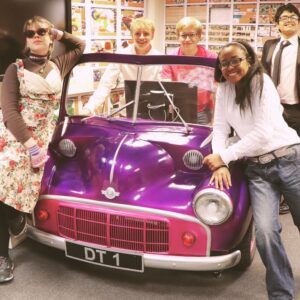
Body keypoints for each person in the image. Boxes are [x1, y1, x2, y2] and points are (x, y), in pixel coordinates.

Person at [203, 40, 300, 300]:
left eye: (236, 60)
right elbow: (220, 128)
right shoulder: (223, 88)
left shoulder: (262, 83)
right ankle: (281, 295)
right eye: (224, 63)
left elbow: (262, 132)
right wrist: (221, 159)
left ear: (249, 59)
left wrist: (224, 155)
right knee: (266, 233)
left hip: (289, 160)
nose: (230, 66)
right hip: (258, 171)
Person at [0, 16, 85, 283]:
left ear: (50, 36)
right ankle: (3, 256)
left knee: (20, 192)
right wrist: (30, 145)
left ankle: (18, 215)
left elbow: (80, 45)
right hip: (16, 140)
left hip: (44, 140)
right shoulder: (16, 69)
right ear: (25, 40)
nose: (35, 36)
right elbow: (9, 112)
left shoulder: (58, 64)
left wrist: (58, 33)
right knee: (2, 191)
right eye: (30, 33)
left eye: (41, 32)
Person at [261, 3, 300, 214]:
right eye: (284, 16)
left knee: (292, 154)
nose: (289, 19)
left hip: (296, 109)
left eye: (294, 16)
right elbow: (263, 74)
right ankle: (274, 193)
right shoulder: (270, 45)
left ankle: (289, 197)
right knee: (272, 150)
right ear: (277, 23)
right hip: (271, 109)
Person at [83, 17, 161, 114]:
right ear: (132, 35)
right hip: (127, 110)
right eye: (137, 33)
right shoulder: (121, 55)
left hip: (152, 110)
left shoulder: (160, 58)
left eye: (146, 34)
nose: (141, 37)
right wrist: (89, 107)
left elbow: (165, 87)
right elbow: (106, 83)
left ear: (152, 35)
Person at [160, 17, 217, 125]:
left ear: (199, 36)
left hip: (203, 112)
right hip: (177, 111)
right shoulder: (170, 58)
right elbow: (166, 86)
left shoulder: (211, 57)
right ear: (178, 37)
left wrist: (215, 118)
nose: (187, 39)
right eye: (183, 35)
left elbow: (217, 89)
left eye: (192, 35)